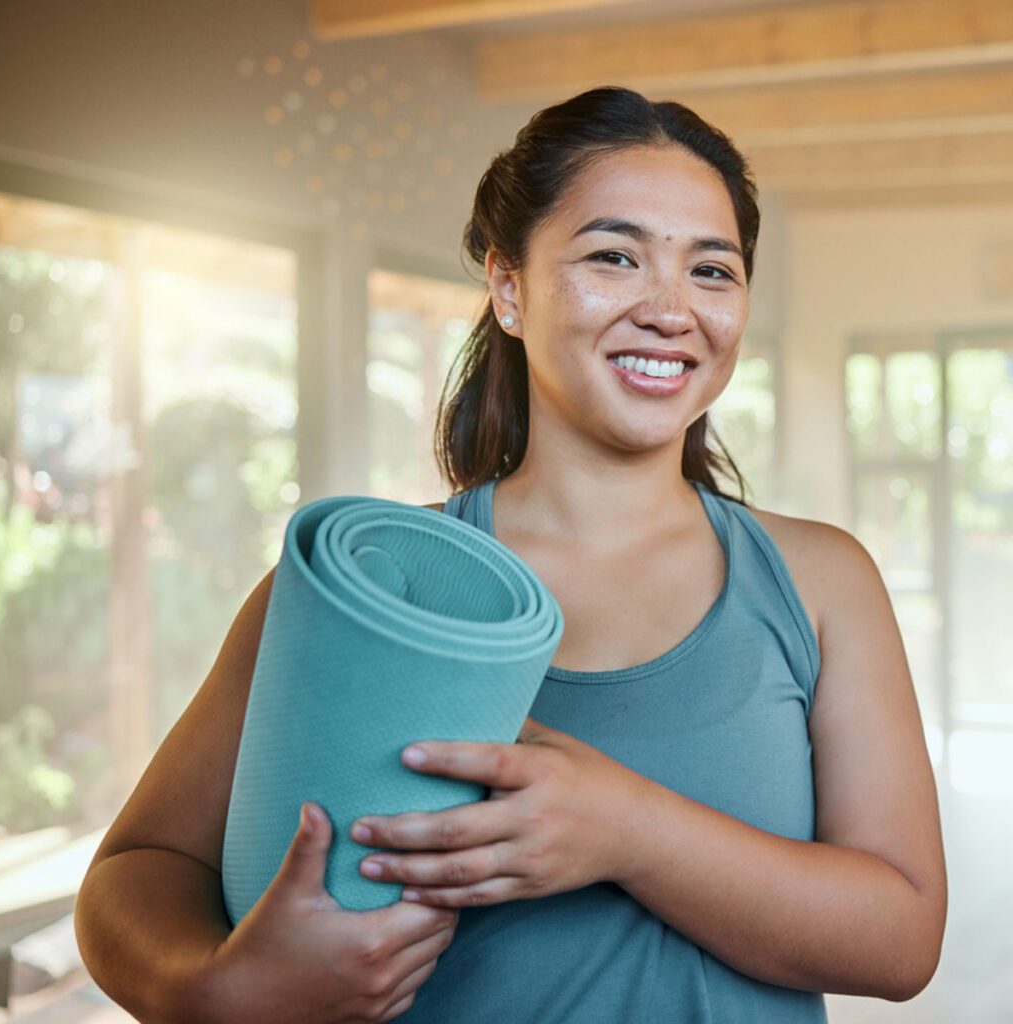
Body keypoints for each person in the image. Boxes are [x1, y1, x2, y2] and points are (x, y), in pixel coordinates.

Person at [74, 86, 947, 1023]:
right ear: (508, 287)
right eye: (614, 256)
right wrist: (213, 988)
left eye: (712, 271)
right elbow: (134, 873)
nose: (670, 309)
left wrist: (627, 832)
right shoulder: (365, 584)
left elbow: (901, 939)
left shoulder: (819, 583)